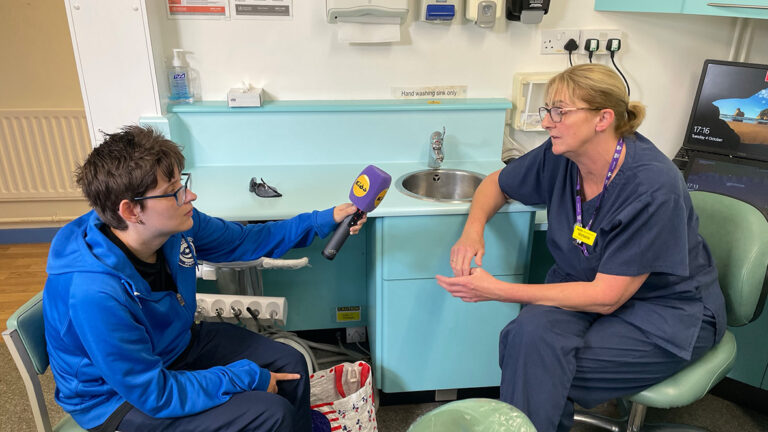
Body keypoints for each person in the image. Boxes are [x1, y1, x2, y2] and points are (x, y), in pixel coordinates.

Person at [435, 64, 726, 432]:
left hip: (663, 311)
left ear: (602, 118)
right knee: (524, 339)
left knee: (538, 370)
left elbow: (607, 297)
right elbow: (498, 183)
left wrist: (497, 291)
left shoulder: (651, 187)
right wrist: (472, 231)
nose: (546, 123)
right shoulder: (561, 155)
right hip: (581, 288)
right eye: (547, 111)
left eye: (560, 111)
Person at [43, 125, 366, 432]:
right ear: (130, 211)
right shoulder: (92, 293)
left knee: (290, 363)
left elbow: (244, 241)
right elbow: (154, 393)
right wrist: (243, 378)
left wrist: (324, 220)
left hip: (174, 346)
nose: (190, 196)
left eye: (181, 184)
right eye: (173, 192)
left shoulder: (173, 226)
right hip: (117, 400)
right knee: (270, 412)